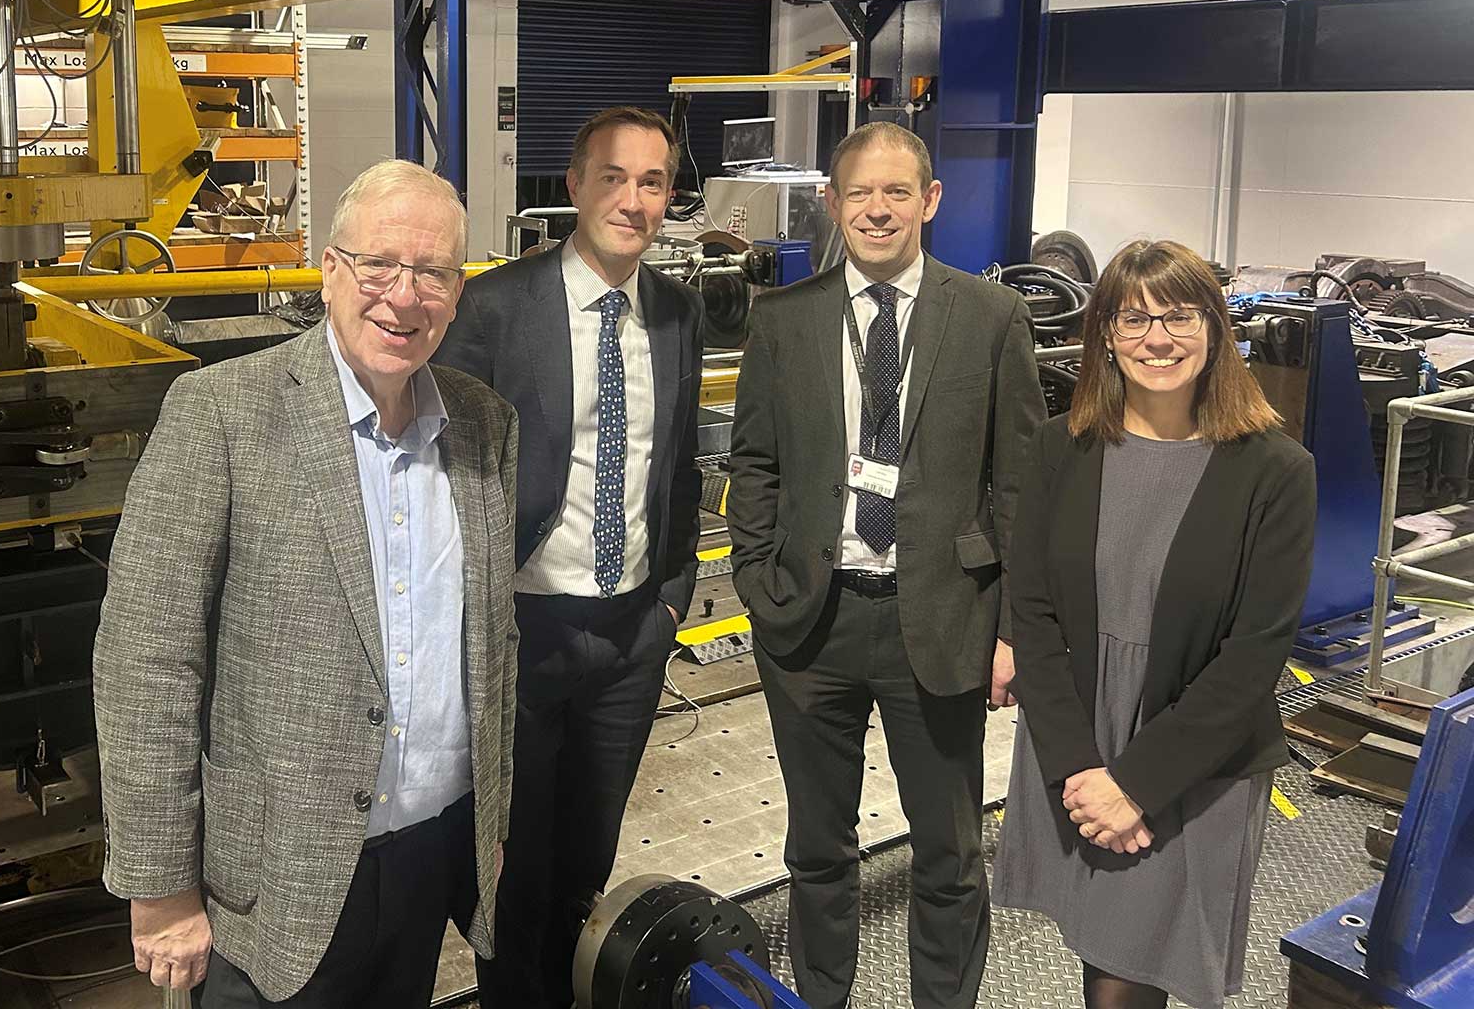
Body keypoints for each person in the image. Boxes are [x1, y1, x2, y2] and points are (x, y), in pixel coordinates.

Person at [92, 160, 520, 1006]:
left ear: (458, 291)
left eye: (433, 272)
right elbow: (145, 662)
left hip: (428, 856)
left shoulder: (482, 423)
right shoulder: (222, 413)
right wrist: (160, 887)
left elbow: (488, 641)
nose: (404, 296)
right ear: (329, 272)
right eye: (380, 265)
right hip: (274, 880)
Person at [726, 120, 1046, 1008]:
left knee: (946, 852)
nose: (876, 209)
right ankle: (820, 996)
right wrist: (759, 578)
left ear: (930, 201)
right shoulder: (784, 320)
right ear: (832, 203)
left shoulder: (990, 319)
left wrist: (1014, 628)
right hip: (811, 623)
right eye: (858, 192)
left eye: (896, 191)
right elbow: (753, 462)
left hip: (940, 620)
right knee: (816, 850)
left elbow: (1018, 484)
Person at [995, 240, 1316, 1009]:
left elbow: (1253, 655)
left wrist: (1133, 787)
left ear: (1215, 328)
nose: (1158, 339)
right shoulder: (1060, 448)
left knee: (1134, 970)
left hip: (1193, 754)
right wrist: (1081, 770)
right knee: (1098, 947)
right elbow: (1032, 615)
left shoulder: (1276, 471)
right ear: (1104, 332)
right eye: (1134, 319)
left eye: (1179, 316)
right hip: (1078, 734)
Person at [432, 105, 702, 1007]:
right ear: (576, 184)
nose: (634, 199)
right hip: (523, 626)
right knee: (514, 858)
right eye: (615, 177)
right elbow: (447, 468)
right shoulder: (498, 307)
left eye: (653, 182)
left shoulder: (676, 312)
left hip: (629, 633)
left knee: (588, 854)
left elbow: (682, 461)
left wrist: (670, 596)